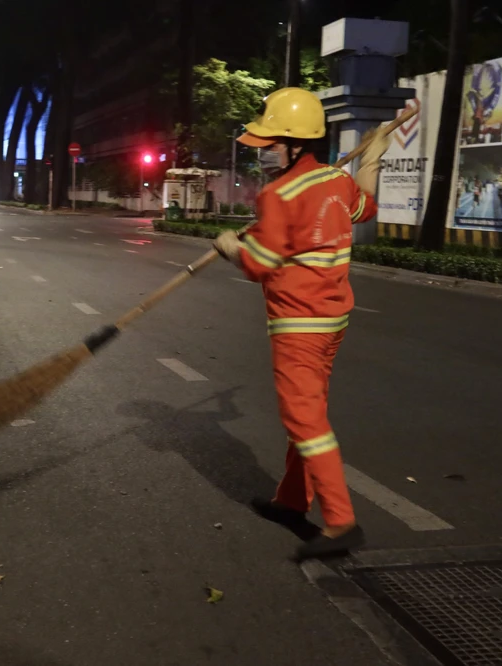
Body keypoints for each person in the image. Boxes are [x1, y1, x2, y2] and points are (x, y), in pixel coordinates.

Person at [211, 88, 388, 559]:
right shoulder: (335, 180)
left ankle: (341, 522)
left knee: (304, 418)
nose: (263, 152)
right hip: (334, 318)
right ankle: (292, 500)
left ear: (295, 145)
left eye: (270, 144)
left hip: (299, 323)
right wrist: (375, 156)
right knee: (309, 409)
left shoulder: (278, 195)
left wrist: (231, 246)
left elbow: (259, 264)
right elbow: (366, 206)